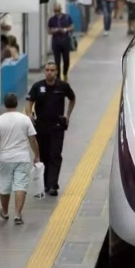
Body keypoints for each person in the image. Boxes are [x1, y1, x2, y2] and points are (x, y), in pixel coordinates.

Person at [0, 93, 40, 225]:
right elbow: (32, 139)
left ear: (5, 104)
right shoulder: (25, 119)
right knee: (20, 185)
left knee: (4, 185)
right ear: (17, 104)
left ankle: (4, 211)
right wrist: (37, 155)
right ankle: (17, 214)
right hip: (22, 157)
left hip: (5, 158)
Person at [25, 62, 77, 197]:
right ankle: (45, 183)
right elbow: (29, 101)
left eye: (52, 70)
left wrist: (68, 115)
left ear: (56, 72)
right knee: (43, 155)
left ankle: (53, 185)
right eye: (47, 70)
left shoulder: (63, 86)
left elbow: (72, 99)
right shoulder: (38, 86)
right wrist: (29, 115)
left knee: (55, 154)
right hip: (41, 126)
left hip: (57, 127)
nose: (49, 72)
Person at [47, 4, 74, 80]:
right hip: (56, 42)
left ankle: (65, 73)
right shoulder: (52, 20)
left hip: (65, 41)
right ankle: (58, 77)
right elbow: (49, 30)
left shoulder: (67, 17)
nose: (57, 13)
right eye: (55, 11)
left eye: (58, 11)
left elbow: (72, 27)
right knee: (57, 61)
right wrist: (54, 31)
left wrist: (66, 30)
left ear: (61, 9)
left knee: (66, 59)